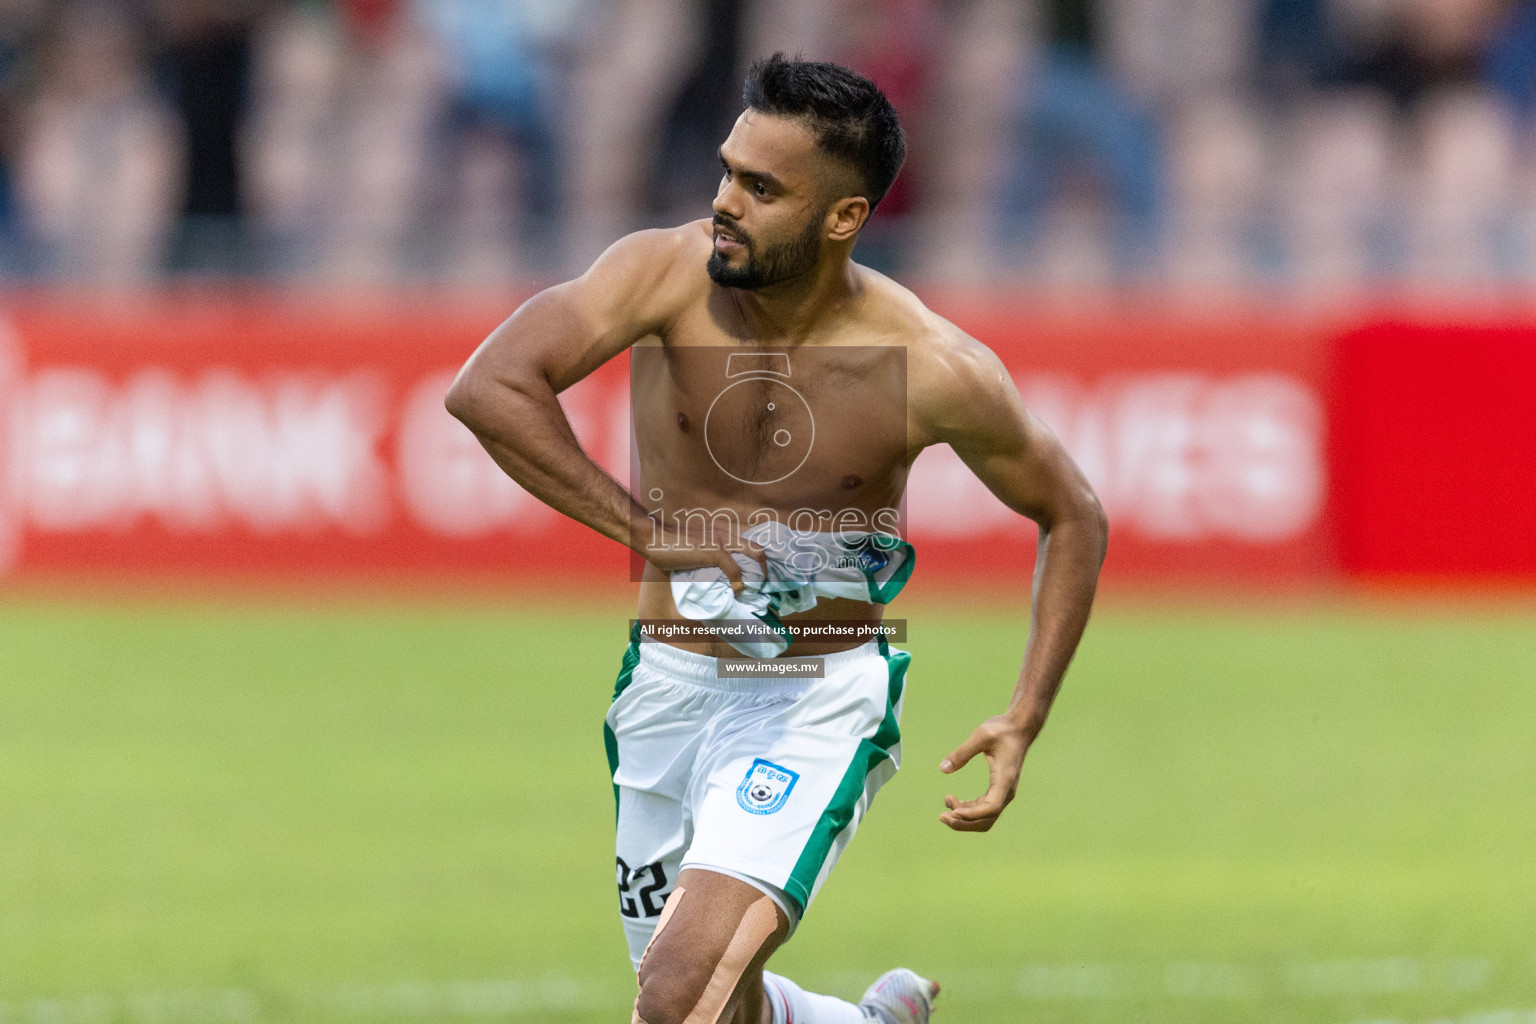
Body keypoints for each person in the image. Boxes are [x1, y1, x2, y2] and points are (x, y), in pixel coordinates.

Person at [446, 53, 1107, 1024]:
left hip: (813, 698)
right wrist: (657, 538)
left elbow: (1072, 510)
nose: (725, 202)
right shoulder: (662, 276)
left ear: (843, 217)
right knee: (723, 995)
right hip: (665, 683)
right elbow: (490, 388)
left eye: (761, 188)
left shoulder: (926, 364)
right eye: (726, 171)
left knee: (677, 994)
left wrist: (1025, 712)